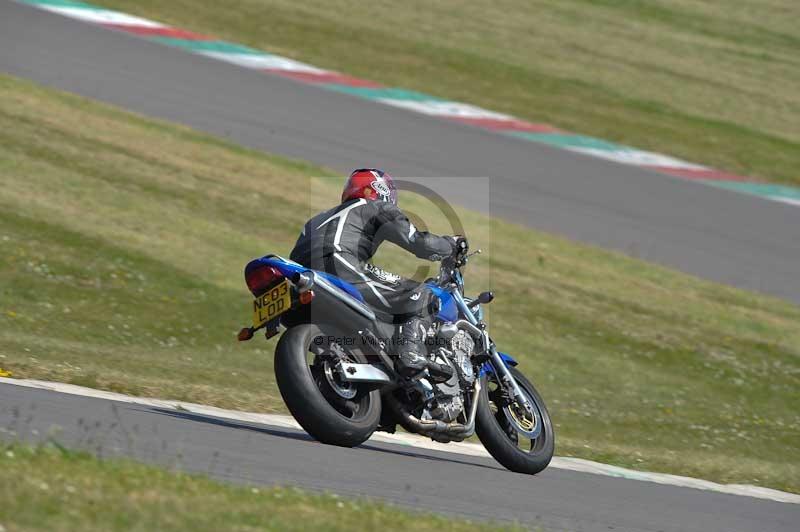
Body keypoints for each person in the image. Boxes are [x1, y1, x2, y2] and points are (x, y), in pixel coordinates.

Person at [290, 168, 459, 382]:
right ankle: (411, 354)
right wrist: (452, 245)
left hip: (303, 277)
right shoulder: (376, 206)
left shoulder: (319, 217)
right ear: (380, 190)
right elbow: (420, 243)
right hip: (338, 263)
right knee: (421, 292)